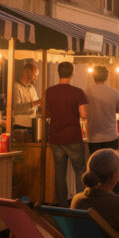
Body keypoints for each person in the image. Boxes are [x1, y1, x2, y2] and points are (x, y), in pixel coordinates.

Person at [45, 61, 88, 205]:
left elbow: (45, 113)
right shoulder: (77, 92)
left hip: (56, 138)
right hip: (73, 137)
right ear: (72, 73)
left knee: (59, 172)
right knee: (80, 171)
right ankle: (79, 203)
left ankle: (62, 204)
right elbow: (83, 114)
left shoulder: (49, 91)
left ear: (58, 72)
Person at [85, 65, 119, 154]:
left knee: (96, 165)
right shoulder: (115, 92)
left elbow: (84, 112)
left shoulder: (87, 92)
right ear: (106, 77)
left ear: (93, 76)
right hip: (111, 135)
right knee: (111, 164)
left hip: (93, 137)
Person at [12, 62, 41, 130]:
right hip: (20, 126)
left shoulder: (32, 87)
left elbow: (36, 106)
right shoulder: (15, 87)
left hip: (32, 125)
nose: (36, 78)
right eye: (35, 75)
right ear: (26, 72)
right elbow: (17, 109)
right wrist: (35, 103)